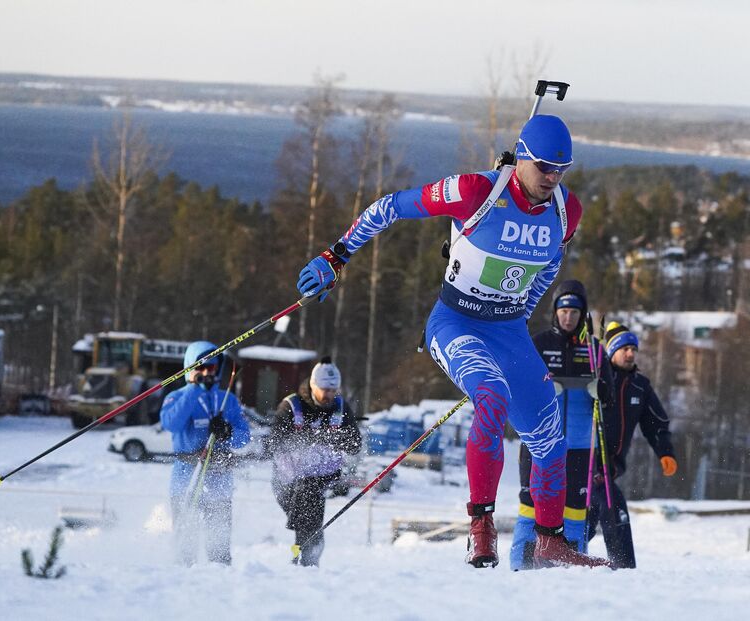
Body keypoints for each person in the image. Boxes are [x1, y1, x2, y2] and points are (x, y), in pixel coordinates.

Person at [297, 115, 611, 569]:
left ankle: (550, 539)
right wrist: (338, 254)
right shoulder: (475, 191)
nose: (552, 177)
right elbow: (392, 206)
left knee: (548, 436)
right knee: (492, 396)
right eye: (543, 166)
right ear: (522, 157)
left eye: (562, 169)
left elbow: (547, 269)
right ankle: (480, 528)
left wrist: (521, 314)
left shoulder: (567, 210)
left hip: (508, 330)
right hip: (456, 323)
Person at [509, 279, 615, 569]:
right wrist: (543, 388)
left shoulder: (594, 350)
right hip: (539, 443)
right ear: (555, 312)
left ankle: (572, 568)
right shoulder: (540, 343)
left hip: (580, 445)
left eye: (575, 312)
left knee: (575, 512)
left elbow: (609, 397)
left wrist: (600, 389)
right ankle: (519, 565)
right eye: (563, 311)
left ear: (583, 315)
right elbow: (517, 386)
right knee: (530, 508)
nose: (568, 317)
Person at [587, 322, 677, 568]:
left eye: (633, 349)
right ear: (612, 351)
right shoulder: (598, 378)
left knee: (589, 518)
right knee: (612, 508)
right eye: (624, 348)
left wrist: (665, 453)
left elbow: (656, 423)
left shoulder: (641, 386)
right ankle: (623, 569)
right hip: (584, 468)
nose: (630, 354)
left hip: (610, 470)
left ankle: (570, 558)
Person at [160, 340, 251, 566]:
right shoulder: (177, 396)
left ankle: (219, 587)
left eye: (211, 368)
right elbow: (171, 423)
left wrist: (227, 432)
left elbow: (244, 437)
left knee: (218, 550)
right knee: (185, 548)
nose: (206, 373)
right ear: (190, 368)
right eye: (200, 367)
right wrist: (193, 389)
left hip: (219, 483)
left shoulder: (227, 399)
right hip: (186, 481)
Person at [269, 357, 362, 567]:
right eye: (324, 389)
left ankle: (303, 558)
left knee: (308, 521)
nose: (329, 394)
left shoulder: (340, 407)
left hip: (321, 479)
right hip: (287, 481)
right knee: (307, 519)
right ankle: (304, 558)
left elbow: (355, 444)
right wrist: (309, 438)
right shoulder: (291, 405)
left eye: (333, 389)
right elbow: (272, 443)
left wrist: (337, 439)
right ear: (313, 385)